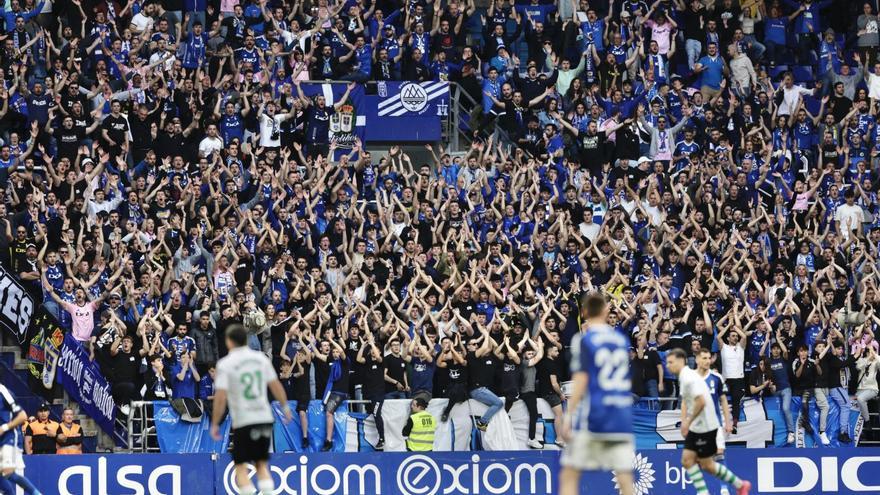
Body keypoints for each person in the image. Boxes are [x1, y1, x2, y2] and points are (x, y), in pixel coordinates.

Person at [560, 293, 634, 495]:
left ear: (583, 313)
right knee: (625, 479)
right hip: (621, 415)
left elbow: (581, 379)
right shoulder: (619, 339)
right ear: (605, 311)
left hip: (596, 415)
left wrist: (568, 417)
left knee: (569, 473)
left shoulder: (584, 340)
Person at [211, 325, 292, 495]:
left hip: (244, 420)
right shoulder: (260, 358)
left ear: (229, 342)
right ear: (246, 340)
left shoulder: (225, 364)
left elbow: (220, 397)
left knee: (240, 466)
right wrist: (285, 407)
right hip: (264, 417)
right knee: (261, 464)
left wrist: (215, 423)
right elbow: (275, 385)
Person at [667, 348, 751, 495]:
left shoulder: (692, 377)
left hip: (706, 425)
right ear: (697, 359)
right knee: (689, 461)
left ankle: (730, 487)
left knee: (709, 461)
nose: (668, 365)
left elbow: (701, 402)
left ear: (681, 361)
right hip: (698, 425)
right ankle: (736, 485)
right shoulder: (687, 375)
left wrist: (687, 422)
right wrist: (685, 420)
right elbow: (687, 402)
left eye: (670, 362)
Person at [696, 348, 734, 495]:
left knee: (719, 454)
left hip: (716, 423)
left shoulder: (716, 377)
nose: (706, 361)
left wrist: (728, 421)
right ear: (698, 359)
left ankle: (724, 489)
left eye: (708, 358)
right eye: (703, 358)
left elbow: (723, 400)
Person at [0, 384, 40, 495]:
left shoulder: (3, 391)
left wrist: (4, 428)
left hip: (9, 438)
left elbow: (22, 416)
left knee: (8, 472)